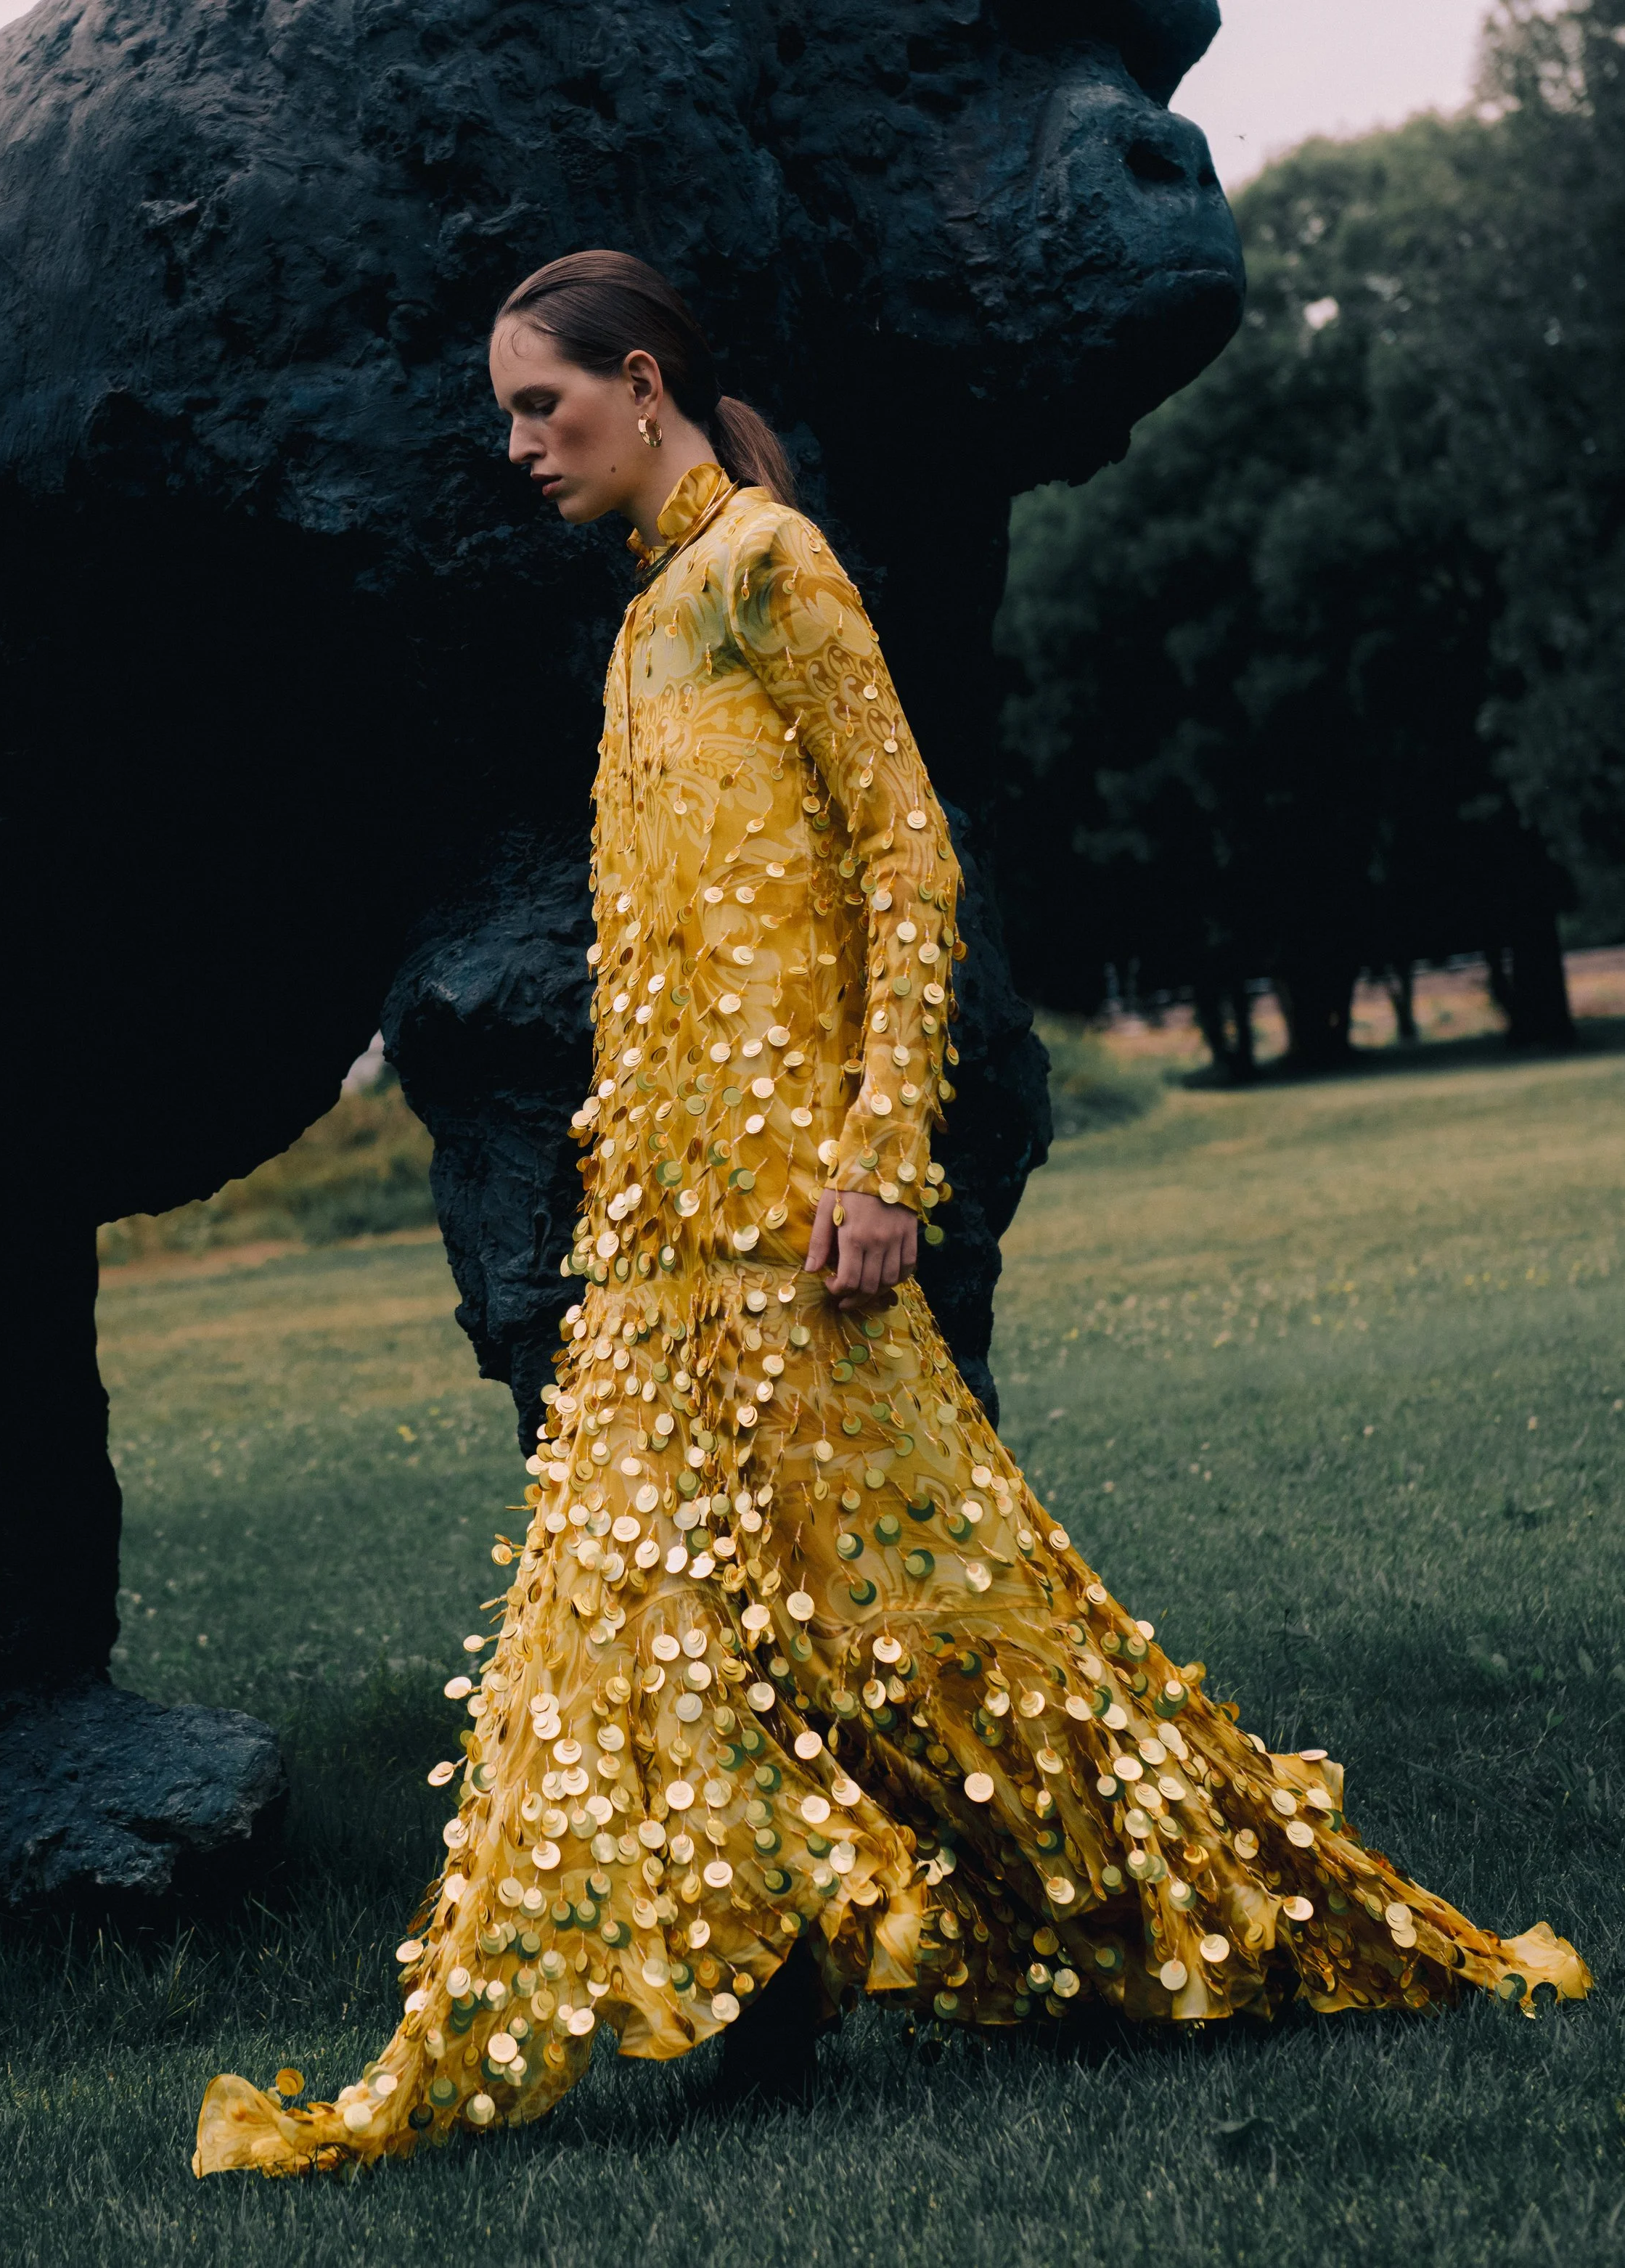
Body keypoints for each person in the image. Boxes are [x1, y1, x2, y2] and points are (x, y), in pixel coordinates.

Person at [194, 250, 1587, 2176]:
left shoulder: (772, 567)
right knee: (624, 1615)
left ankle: (1220, 1912)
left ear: (645, 382)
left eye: (541, 404)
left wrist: (876, 1162)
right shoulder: (647, 615)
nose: (518, 445)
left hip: (792, 1223)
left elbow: (907, 861)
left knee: (930, 1622)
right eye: (507, 414)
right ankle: (742, 1979)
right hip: (656, 1225)